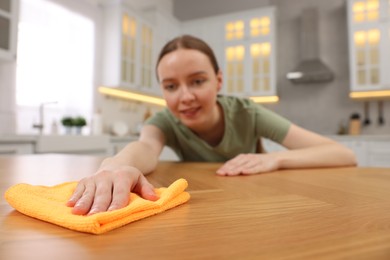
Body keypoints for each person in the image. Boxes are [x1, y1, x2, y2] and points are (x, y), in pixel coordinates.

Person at [67, 35, 357, 215]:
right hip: (201, 205)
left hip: (253, 204)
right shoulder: (164, 121)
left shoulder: (248, 113)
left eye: (197, 81)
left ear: (218, 80)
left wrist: (275, 159)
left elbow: (343, 154)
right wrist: (115, 167)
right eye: (171, 86)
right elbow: (144, 147)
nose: (185, 97)